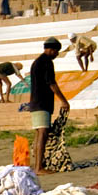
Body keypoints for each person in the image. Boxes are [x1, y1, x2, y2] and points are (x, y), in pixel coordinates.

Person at [29, 37, 69, 173]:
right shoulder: (46, 62)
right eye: (57, 51)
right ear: (51, 50)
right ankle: (39, 167)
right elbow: (52, 83)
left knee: (39, 133)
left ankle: (38, 165)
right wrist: (63, 100)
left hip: (35, 102)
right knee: (43, 133)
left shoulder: (37, 62)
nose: (57, 54)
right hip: (41, 103)